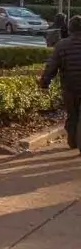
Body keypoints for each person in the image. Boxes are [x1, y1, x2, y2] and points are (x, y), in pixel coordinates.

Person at [39, 15, 81, 154]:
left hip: (70, 87)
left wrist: (45, 82)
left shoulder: (62, 45)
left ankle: (72, 141)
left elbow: (52, 66)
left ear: (70, 29)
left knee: (72, 115)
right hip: (71, 87)